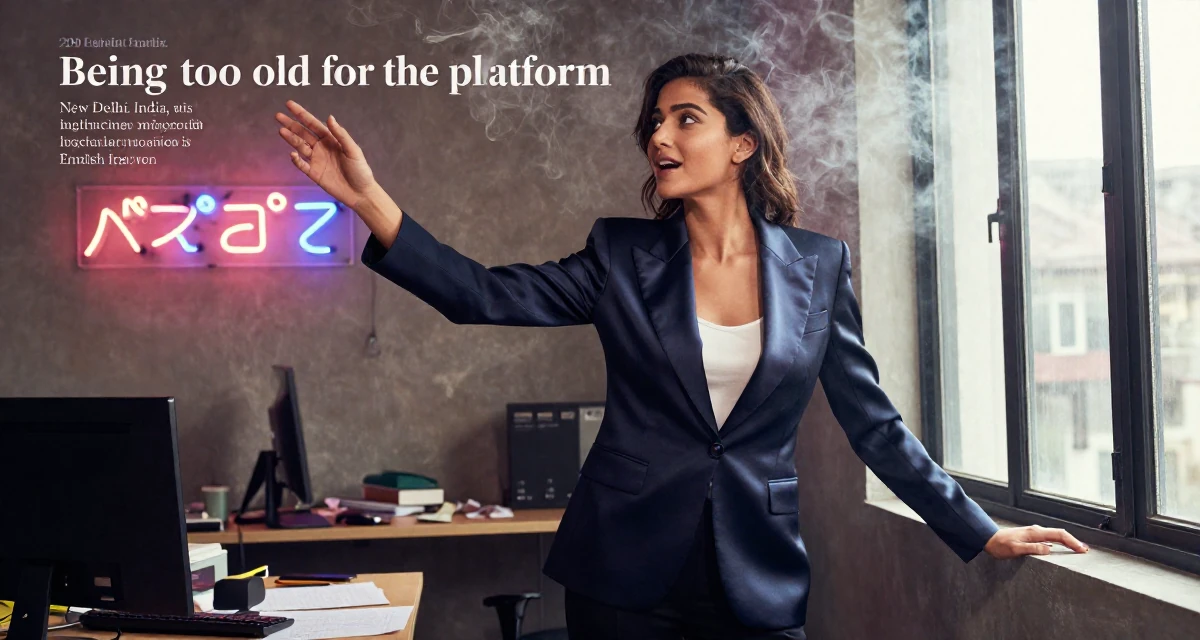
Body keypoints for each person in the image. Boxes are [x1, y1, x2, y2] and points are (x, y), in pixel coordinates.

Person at [276, 52, 1088, 640]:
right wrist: (370, 199)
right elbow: (481, 294)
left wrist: (978, 529)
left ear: (742, 144)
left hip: (758, 576)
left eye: (683, 118)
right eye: (654, 122)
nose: (658, 135)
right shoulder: (621, 256)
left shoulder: (818, 265)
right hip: (622, 573)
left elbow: (872, 421)